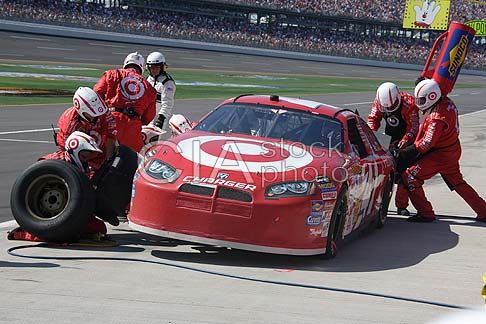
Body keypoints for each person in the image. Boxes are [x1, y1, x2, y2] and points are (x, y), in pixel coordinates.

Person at [399, 79, 486, 223]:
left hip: (440, 155)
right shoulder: (445, 101)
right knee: (457, 182)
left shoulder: (437, 117)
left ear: (431, 97)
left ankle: (425, 213)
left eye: (421, 100)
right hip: (451, 149)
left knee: (410, 176)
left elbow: (426, 143)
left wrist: (406, 152)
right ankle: (483, 210)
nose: (419, 103)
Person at [9, 132, 113, 242]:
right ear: (75, 149)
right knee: (69, 234)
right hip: (51, 212)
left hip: (71, 209)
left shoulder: (81, 168)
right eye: (85, 155)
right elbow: (36, 179)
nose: (87, 158)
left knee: (98, 228)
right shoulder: (54, 161)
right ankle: (25, 234)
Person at [367, 82, 419, 216]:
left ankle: (401, 206)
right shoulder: (379, 102)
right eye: (386, 107)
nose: (389, 109)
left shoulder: (409, 104)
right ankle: (377, 204)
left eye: (392, 106)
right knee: (383, 172)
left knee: (403, 174)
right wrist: (371, 136)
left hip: (406, 141)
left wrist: (403, 143)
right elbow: (373, 119)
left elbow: (413, 128)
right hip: (387, 138)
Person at [94, 52, 157, 152]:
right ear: (141, 68)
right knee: (132, 161)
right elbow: (149, 117)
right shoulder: (149, 88)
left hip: (111, 120)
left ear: (125, 64)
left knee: (100, 155)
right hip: (133, 126)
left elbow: (96, 95)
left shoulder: (112, 74)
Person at [56, 87, 116, 160]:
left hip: (99, 150)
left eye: (98, 114)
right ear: (81, 110)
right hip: (77, 153)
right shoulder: (69, 121)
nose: (96, 117)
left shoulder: (104, 112)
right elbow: (66, 148)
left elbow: (111, 135)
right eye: (92, 114)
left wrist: (108, 159)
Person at [146, 51, 176, 130]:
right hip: (146, 116)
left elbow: (167, 103)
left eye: (157, 67)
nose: (154, 70)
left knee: (154, 142)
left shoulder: (167, 82)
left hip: (158, 118)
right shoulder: (147, 80)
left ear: (162, 67)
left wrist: (161, 118)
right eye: (151, 67)